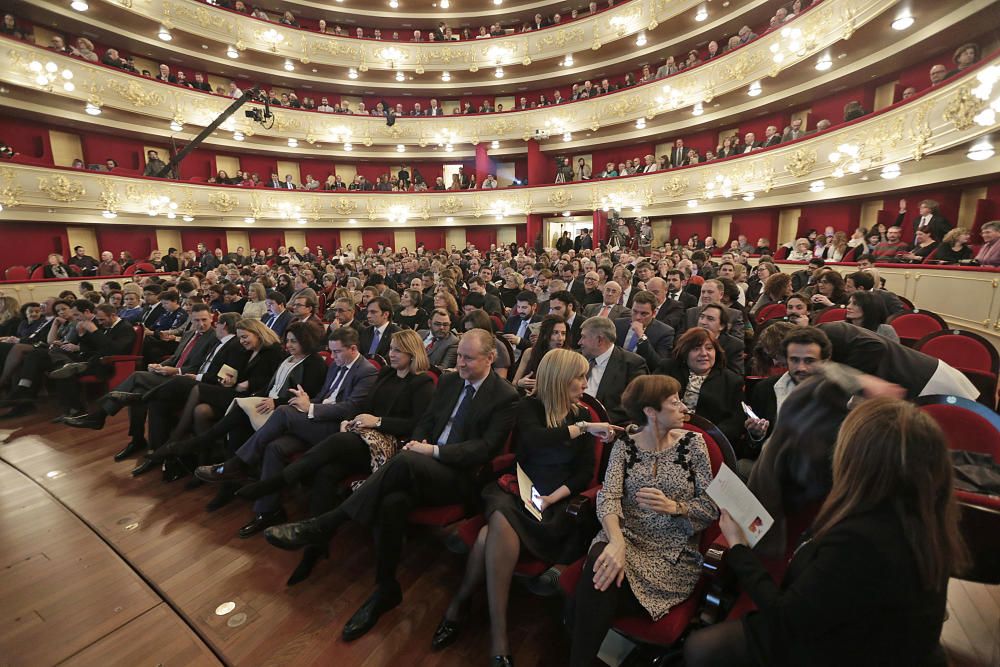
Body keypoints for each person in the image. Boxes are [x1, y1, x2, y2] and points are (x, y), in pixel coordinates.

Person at [262, 329, 520, 643]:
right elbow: (427, 420)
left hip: (459, 476)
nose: (460, 363)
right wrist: (420, 442)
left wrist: (432, 452)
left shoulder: (505, 396)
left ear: (490, 358)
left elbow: (485, 448)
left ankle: (325, 524)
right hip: (422, 463)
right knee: (392, 502)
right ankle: (386, 589)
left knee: (402, 461)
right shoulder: (451, 381)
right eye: (459, 356)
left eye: (468, 358)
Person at [685, 398, 968, 667]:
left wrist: (737, 547)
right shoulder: (925, 515)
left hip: (843, 650)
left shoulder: (861, 539)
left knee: (701, 648)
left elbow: (786, 617)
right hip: (883, 640)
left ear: (861, 462)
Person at [435, 348, 619, 662]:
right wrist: (585, 429)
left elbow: (584, 474)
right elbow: (536, 441)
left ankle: (459, 603)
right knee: (501, 514)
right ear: (560, 379)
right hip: (517, 488)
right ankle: (499, 642)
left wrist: (552, 497)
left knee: (484, 538)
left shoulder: (584, 414)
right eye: (579, 377)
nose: (585, 383)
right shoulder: (530, 407)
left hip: (553, 501)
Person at [235, 329, 435, 583]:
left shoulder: (422, 383)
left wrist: (378, 421)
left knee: (335, 440)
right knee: (326, 472)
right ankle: (315, 547)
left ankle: (278, 481)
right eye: (391, 348)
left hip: (391, 445)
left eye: (397, 350)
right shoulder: (386, 374)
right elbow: (364, 408)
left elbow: (416, 424)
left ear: (412, 352)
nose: (391, 354)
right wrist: (351, 421)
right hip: (364, 436)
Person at [569, 374, 718, 666]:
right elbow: (608, 496)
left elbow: (711, 508)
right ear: (651, 412)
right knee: (602, 565)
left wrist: (673, 506)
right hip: (625, 536)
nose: (684, 408)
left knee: (594, 590)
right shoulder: (625, 445)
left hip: (670, 553)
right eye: (674, 402)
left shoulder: (694, 444)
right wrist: (617, 542)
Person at [192, 326, 379, 533]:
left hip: (337, 430)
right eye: (331, 351)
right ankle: (268, 511)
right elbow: (323, 396)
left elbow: (351, 408)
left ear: (353, 349)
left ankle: (236, 463)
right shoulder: (336, 366)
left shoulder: (367, 371)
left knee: (282, 411)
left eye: (337, 352)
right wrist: (306, 402)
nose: (332, 356)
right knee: (274, 447)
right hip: (316, 421)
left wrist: (311, 408)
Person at [656, 327, 744, 445]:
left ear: (716, 352)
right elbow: (652, 401)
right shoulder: (667, 369)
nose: (704, 353)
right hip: (663, 434)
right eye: (696, 348)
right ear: (685, 352)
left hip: (709, 442)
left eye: (709, 348)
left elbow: (735, 423)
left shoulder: (732, 381)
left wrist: (706, 438)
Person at [578, 316, 647, 424]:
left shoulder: (632, 364)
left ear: (600, 340)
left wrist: (596, 423)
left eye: (583, 337)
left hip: (608, 427)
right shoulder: (577, 357)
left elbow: (633, 405)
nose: (579, 342)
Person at [511, 314, 569, 393]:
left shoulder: (568, 358)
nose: (560, 338)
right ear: (545, 335)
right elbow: (514, 383)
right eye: (555, 333)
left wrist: (541, 387)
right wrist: (520, 383)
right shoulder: (529, 353)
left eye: (563, 333)